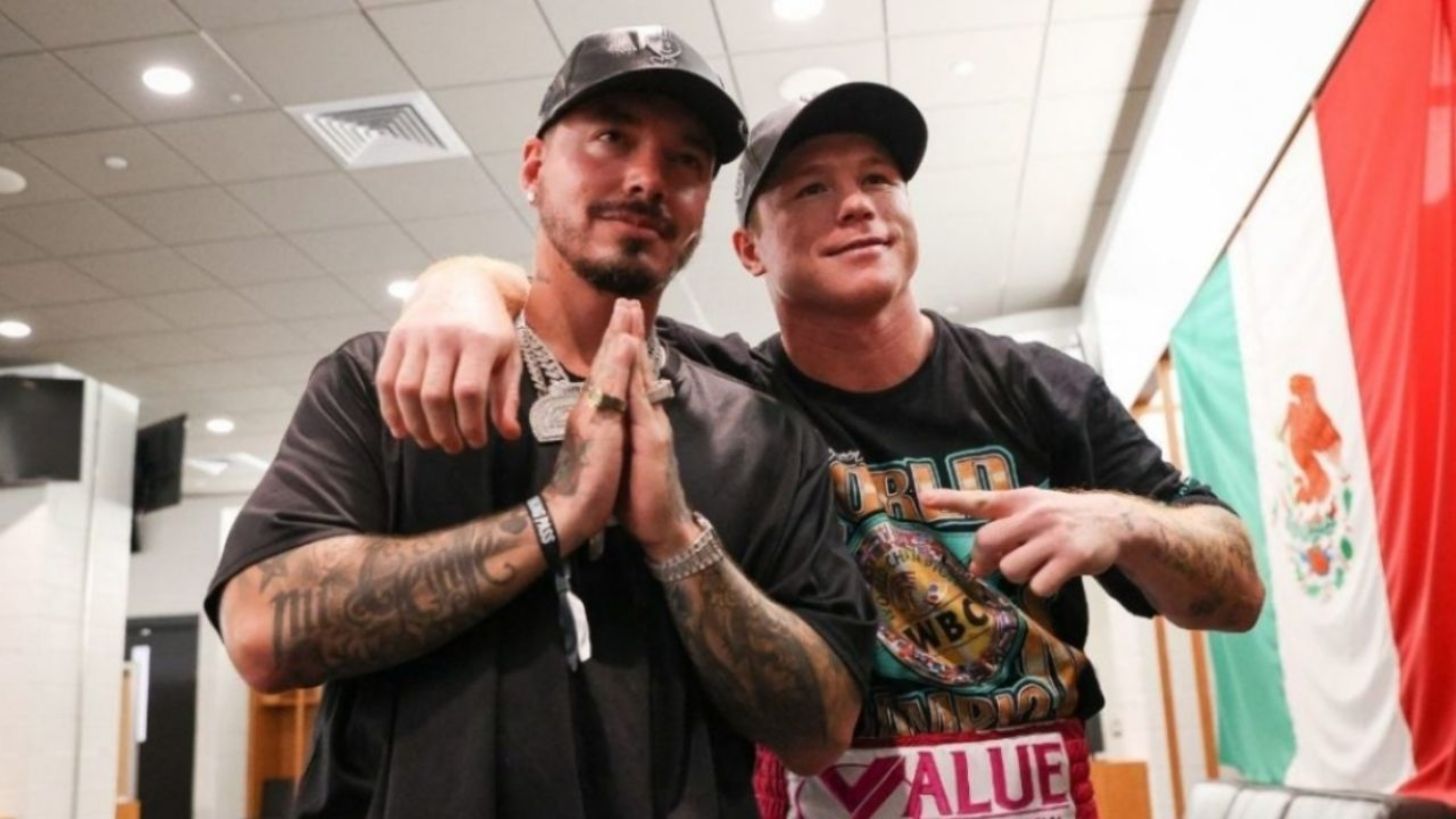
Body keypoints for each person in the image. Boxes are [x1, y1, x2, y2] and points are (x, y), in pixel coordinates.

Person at [380, 82, 1265, 818]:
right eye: (809, 188)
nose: (856, 203)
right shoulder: (728, 396)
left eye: (880, 178)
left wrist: (1120, 520)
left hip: (1035, 785)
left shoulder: (1037, 386)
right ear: (747, 249)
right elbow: (575, 296)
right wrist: (457, 283)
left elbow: (1236, 591)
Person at [205, 27, 877, 818]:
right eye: (611, 137)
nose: (646, 178)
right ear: (533, 168)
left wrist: (677, 540)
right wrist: (554, 518)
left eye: (686, 160)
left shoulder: (761, 435)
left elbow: (820, 731)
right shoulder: (389, 378)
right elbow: (261, 631)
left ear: (703, 206)